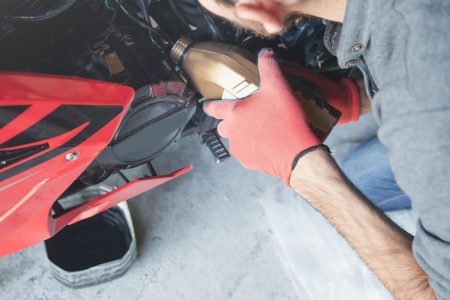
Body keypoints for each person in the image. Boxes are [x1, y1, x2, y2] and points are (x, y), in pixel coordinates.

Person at [198, 0, 450, 298]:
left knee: (357, 189)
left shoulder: (422, 110)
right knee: (363, 180)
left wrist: (305, 169)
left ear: (260, 10)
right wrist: (355, 98)